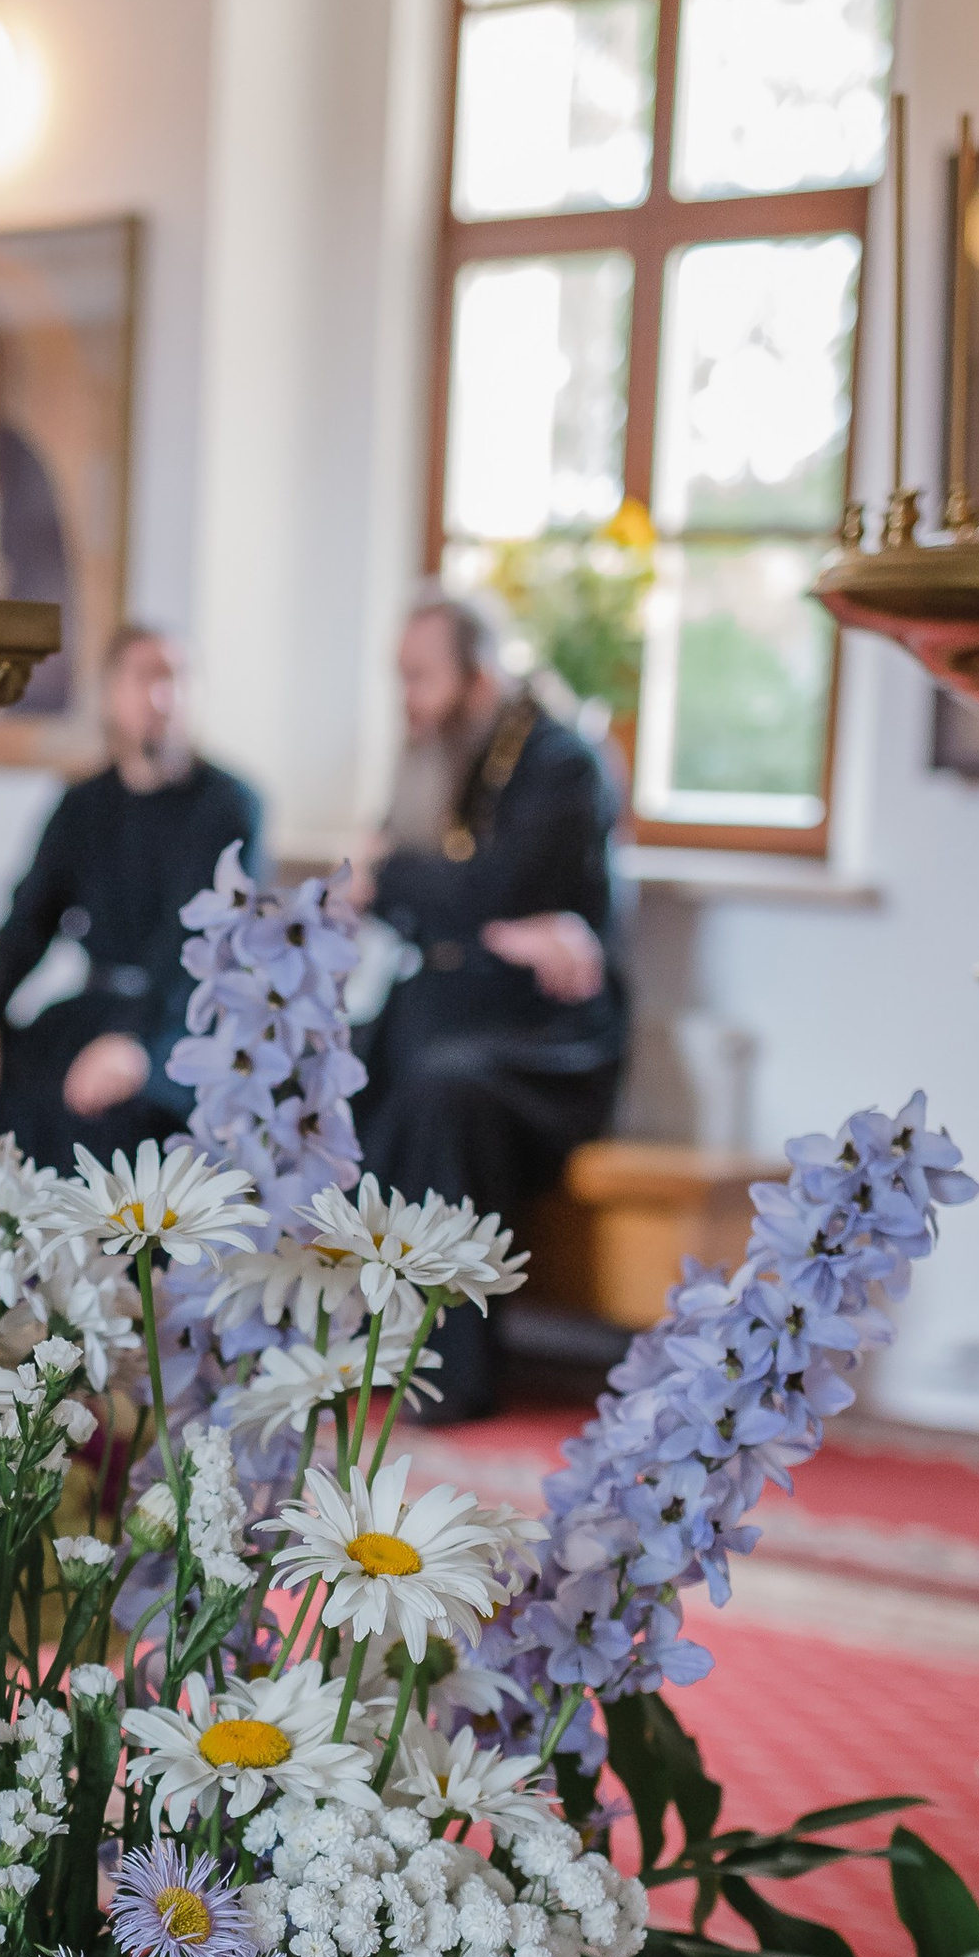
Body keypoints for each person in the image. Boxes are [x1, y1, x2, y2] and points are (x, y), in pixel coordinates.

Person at [351, 591, 628, 1419]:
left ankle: (446, 1372)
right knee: (332, 1066)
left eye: (421, 679)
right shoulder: (447, 756)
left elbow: (490, 887)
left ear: (478, 679)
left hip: (544, 1039)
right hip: (453, 1008)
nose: (409, 701)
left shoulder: (560, 761)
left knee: (446, 1087)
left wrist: (397, 875)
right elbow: (450, 906)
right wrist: (456, 909)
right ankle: (343, 1337)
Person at [0, 625, 264, 1173]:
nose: (163, 698)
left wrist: (136, 1045)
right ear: (112, 694)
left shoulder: (229, 805)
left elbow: (207, 947)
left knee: (110, 1116)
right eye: (146, 678)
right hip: (94, 1006)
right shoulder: (83, 804)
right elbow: (26, 919)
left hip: (187, 1023)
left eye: (177, 679)